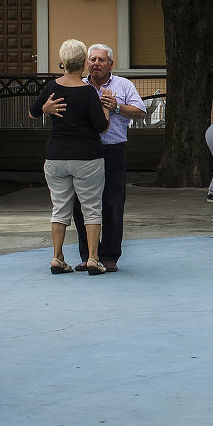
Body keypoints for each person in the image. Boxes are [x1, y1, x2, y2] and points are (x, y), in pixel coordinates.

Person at [43, 44, 145, 273]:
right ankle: (88, 254)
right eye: (92, 59)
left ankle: (109, 256)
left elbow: (140, 111)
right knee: (81, 207)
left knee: (112, 203)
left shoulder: (123, 85)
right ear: (85, 63)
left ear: (111, 64)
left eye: (101, 60)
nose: (96, 63)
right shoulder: (79, 84)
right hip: (84, 154)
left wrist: (117, 107)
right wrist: (46, 109)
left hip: (112, 151)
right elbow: (44, 106)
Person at [29, 39, 110, 275]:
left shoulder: (51, 87)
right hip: (87, 158)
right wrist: (106, 107)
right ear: (84, 63)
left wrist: (45, 109)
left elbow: (33, 113)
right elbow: (101, 127)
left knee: (59, 208)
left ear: (62, 62)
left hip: (56, 156)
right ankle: (94, 258)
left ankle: (57, 256)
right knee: (92, 208)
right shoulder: (88, 92)